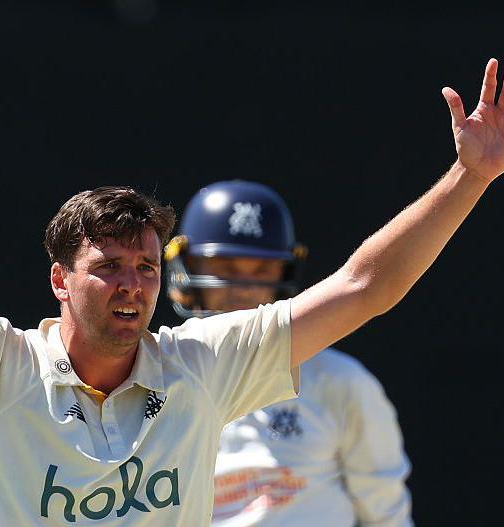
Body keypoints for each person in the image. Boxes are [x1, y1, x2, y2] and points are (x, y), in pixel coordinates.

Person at [0, 17, 504, 526]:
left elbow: (363, 287)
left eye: (146, 266)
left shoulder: (200, 366)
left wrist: (468, 178)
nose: (133, 283)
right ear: (60, 279)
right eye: (109, 267)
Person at [165, 180, 412, 526]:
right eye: (226, 266)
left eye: (262, 269)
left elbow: (388, 517)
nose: (244, 288)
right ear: (186, 269)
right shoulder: (151, 379)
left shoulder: (339, 382)